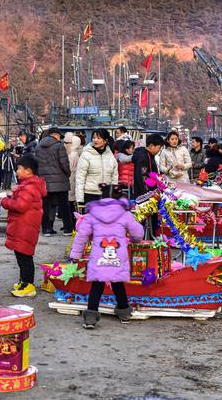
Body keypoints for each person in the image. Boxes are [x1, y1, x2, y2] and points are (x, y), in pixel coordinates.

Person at [69, 183, 144, 329]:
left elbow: (82, 235)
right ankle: (124, 313)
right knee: (117, 283)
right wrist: (135, 240)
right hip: (118, 254)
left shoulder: (92, 215)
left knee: (97, 284)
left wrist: (75, 254)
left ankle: (90, 317)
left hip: (99, 255)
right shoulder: (125, 214)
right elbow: (138, 233)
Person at [0, 154, 47, 297]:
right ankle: (23, 282)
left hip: (24, 227)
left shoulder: (28, 187)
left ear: (28, 171)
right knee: (22, 256)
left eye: (19, 168)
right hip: (24, 226)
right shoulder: (28, 186)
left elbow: (20, 206)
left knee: (24, 257)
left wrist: (4, 201)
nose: (17, 171)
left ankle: (28, 285)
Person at [35, 126, 73, 236]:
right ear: (56, 135)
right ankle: (67, 229)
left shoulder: (38, 146)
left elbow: (36, 163)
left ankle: (46, 229)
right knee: (64, 205)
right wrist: (68, 173)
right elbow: (64, 163)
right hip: (59, 180)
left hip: (44, 181)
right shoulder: (59, 146)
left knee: (46, 206)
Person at [75, 128, 119, 206]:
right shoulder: (86, 155)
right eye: (94, 138)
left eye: (98, 138)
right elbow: (80, 177)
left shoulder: (110, 156)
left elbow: (114, 176)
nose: (95, 140)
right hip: (90, 195)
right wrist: (80, 199)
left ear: (105, 140)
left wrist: (114, 194)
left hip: (106, 195)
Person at [64, 132, 82, 230]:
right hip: (72, 180)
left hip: (71, 181)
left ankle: (72, 224)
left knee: (70, 204)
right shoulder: (75, 154)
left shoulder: (72, 155)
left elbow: (69, 168)